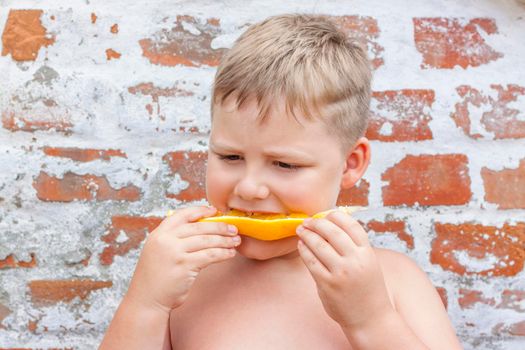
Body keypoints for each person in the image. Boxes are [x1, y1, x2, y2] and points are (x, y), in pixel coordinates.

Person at [100, 14, 462, 349]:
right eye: (230, 157)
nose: (249, 188)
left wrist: (371, 318)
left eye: (285, 164)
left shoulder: (392, 281)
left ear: (350, 164)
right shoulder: (184, 283)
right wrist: (145, 303)